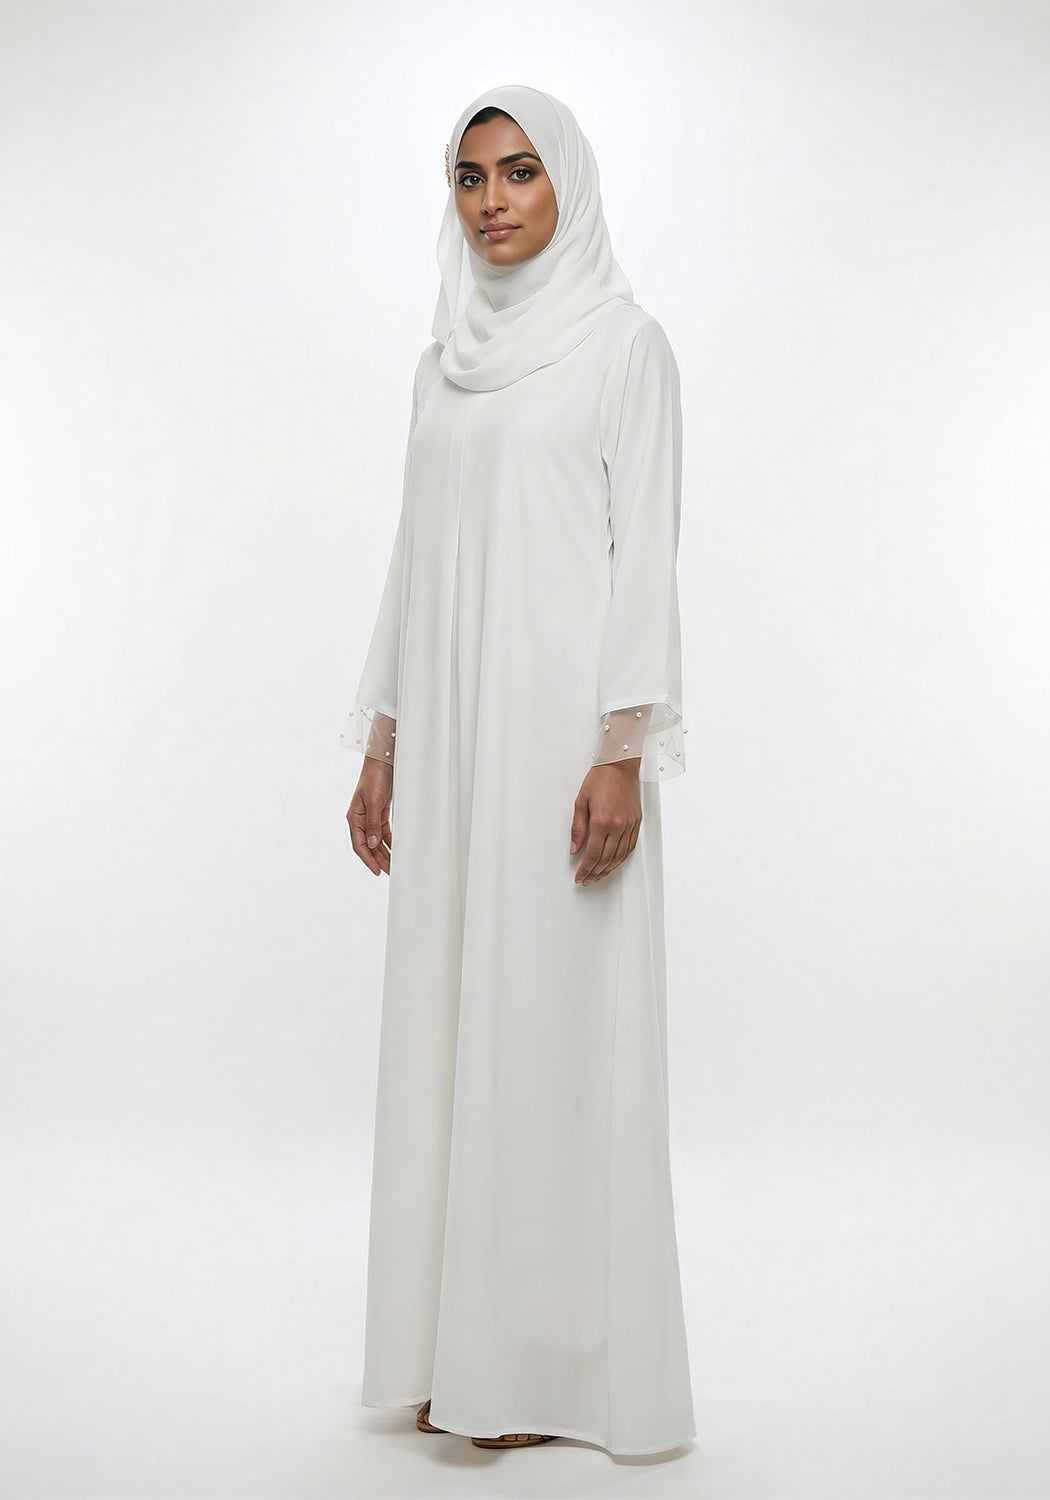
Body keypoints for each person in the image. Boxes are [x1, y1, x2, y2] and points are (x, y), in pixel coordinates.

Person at [341, 83, 695, 1457]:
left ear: (570, 186)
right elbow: (412, 556)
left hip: (558, 751)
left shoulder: (624, 348)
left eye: (521, 172)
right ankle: (453, 1353)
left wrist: (621, 752)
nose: (492, 201)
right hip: (449, 742)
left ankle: (548, 1371)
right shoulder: (442, 364)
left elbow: (642, 555)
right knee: (451, 1024)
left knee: (548, 1038)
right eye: (470, 176)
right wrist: (382, 743)